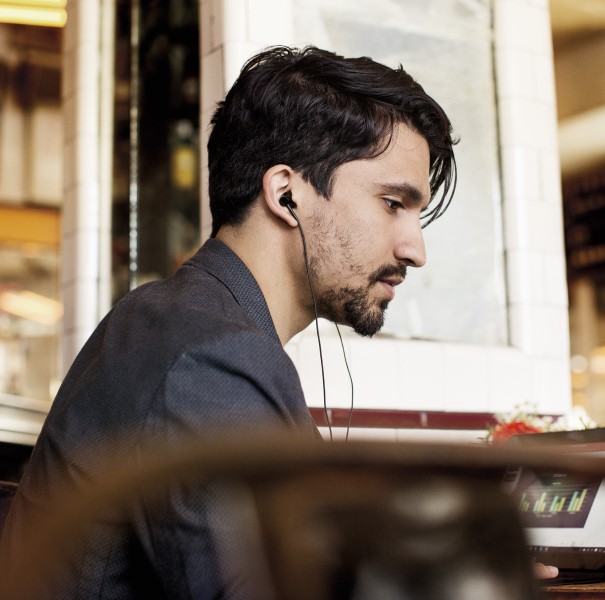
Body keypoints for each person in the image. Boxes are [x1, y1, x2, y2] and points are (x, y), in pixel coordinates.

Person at [1, 46, 459, 598]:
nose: (415, 249)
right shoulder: (211, 357)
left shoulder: (177, 319)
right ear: (286, 194)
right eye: (393, 203)